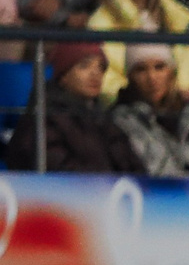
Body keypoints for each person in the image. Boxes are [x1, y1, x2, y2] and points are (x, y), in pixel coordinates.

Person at [2, 39, 147, 172]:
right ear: (63, 75)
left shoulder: (103, 118)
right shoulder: (43, 118)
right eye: (84, 66)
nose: (95, 74)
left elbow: (133, 166)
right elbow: (59, 172)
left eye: (101, 67)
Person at [113, 42, 189, 174]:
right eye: (141, 69)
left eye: (159, 67)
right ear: (130, 77)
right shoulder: (121, 121)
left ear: (171, 72)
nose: (152, 77)